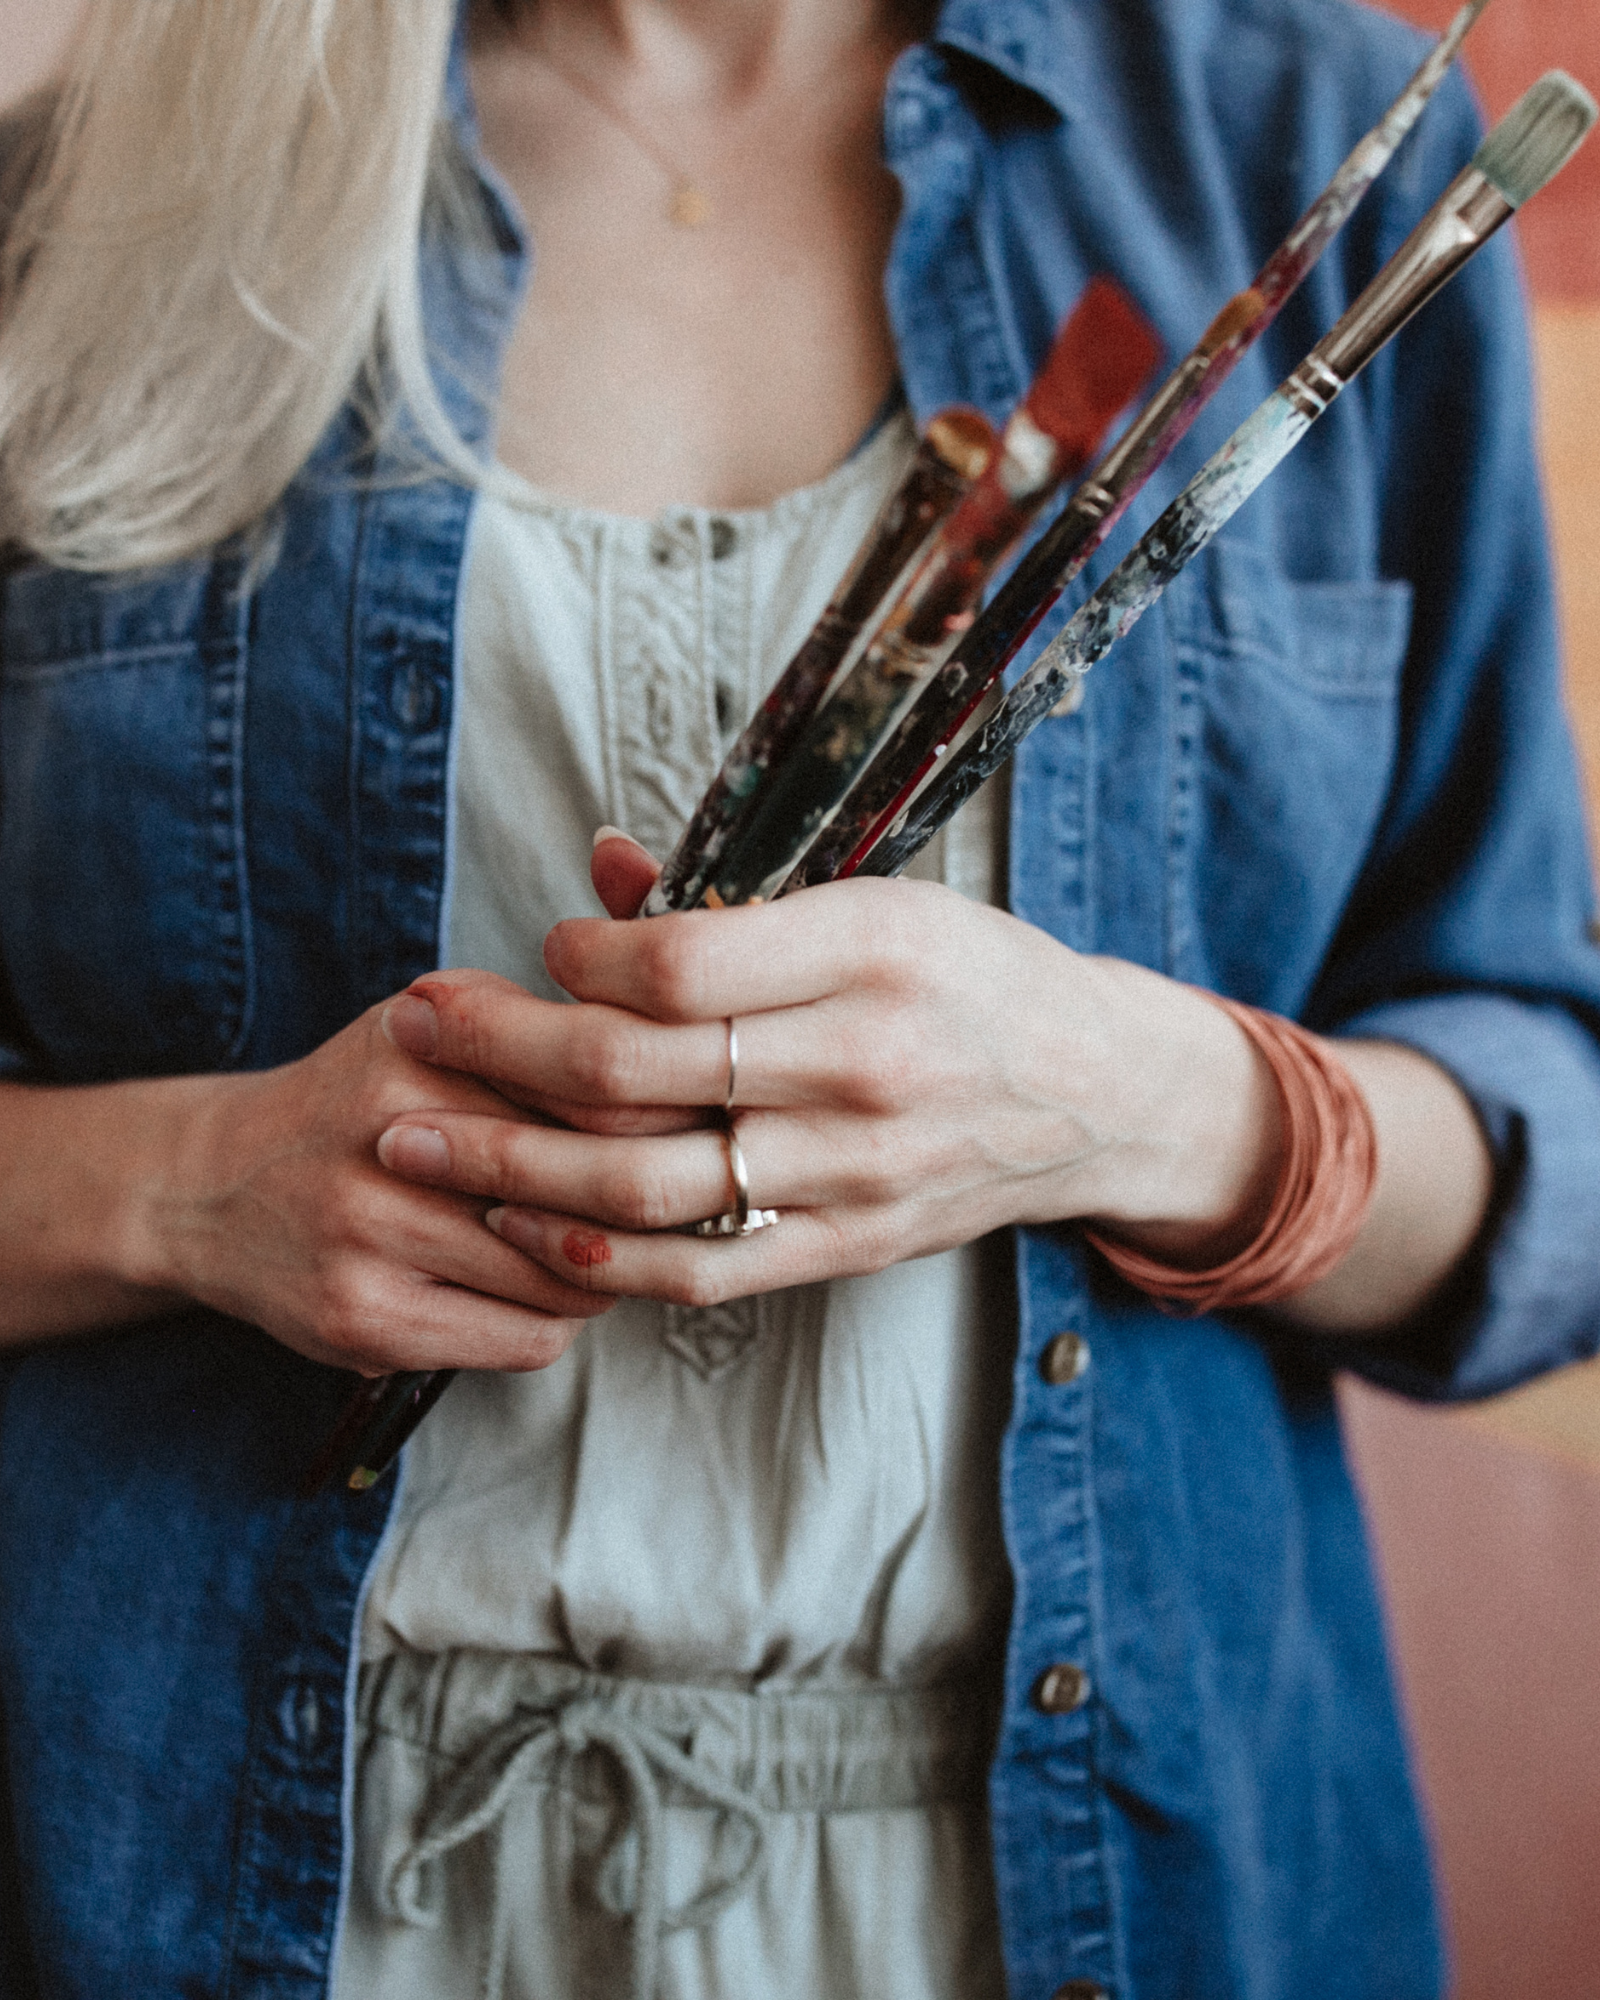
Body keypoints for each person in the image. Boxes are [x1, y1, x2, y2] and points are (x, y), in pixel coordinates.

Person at [1, 0, 1597, 1995]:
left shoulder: (1295, 136)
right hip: (205, 1878)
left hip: (1090, 1900)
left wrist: (1149, 1105)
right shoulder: (82, 194)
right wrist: (180, 1183)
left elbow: (1557, 1133)